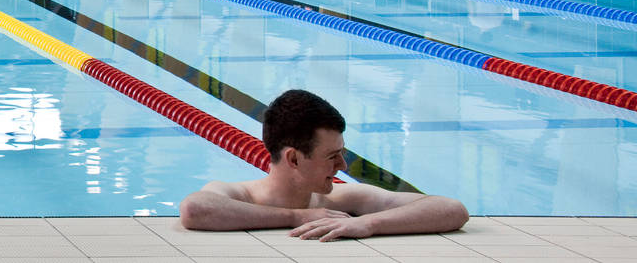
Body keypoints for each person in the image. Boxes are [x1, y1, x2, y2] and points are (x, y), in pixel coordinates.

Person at [180, 90, 467, 240]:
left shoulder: (343, 199)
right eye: (332, 156)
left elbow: (453, 210)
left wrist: (370, 224)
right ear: (293, 158)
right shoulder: (237, 195)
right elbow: (195, 210)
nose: (342, 165)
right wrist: (296, 217)